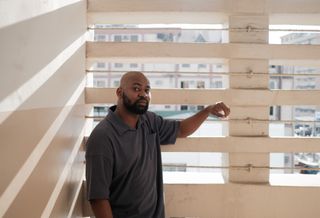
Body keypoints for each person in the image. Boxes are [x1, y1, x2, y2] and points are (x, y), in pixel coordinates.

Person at [85, 71, 230, 218]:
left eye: (147, 90)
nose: (143, 94)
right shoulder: (102, 137)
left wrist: (207, 110)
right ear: (119, 92)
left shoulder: (148, 121)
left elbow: (181, 130)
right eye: (136, 89)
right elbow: (98, 199)